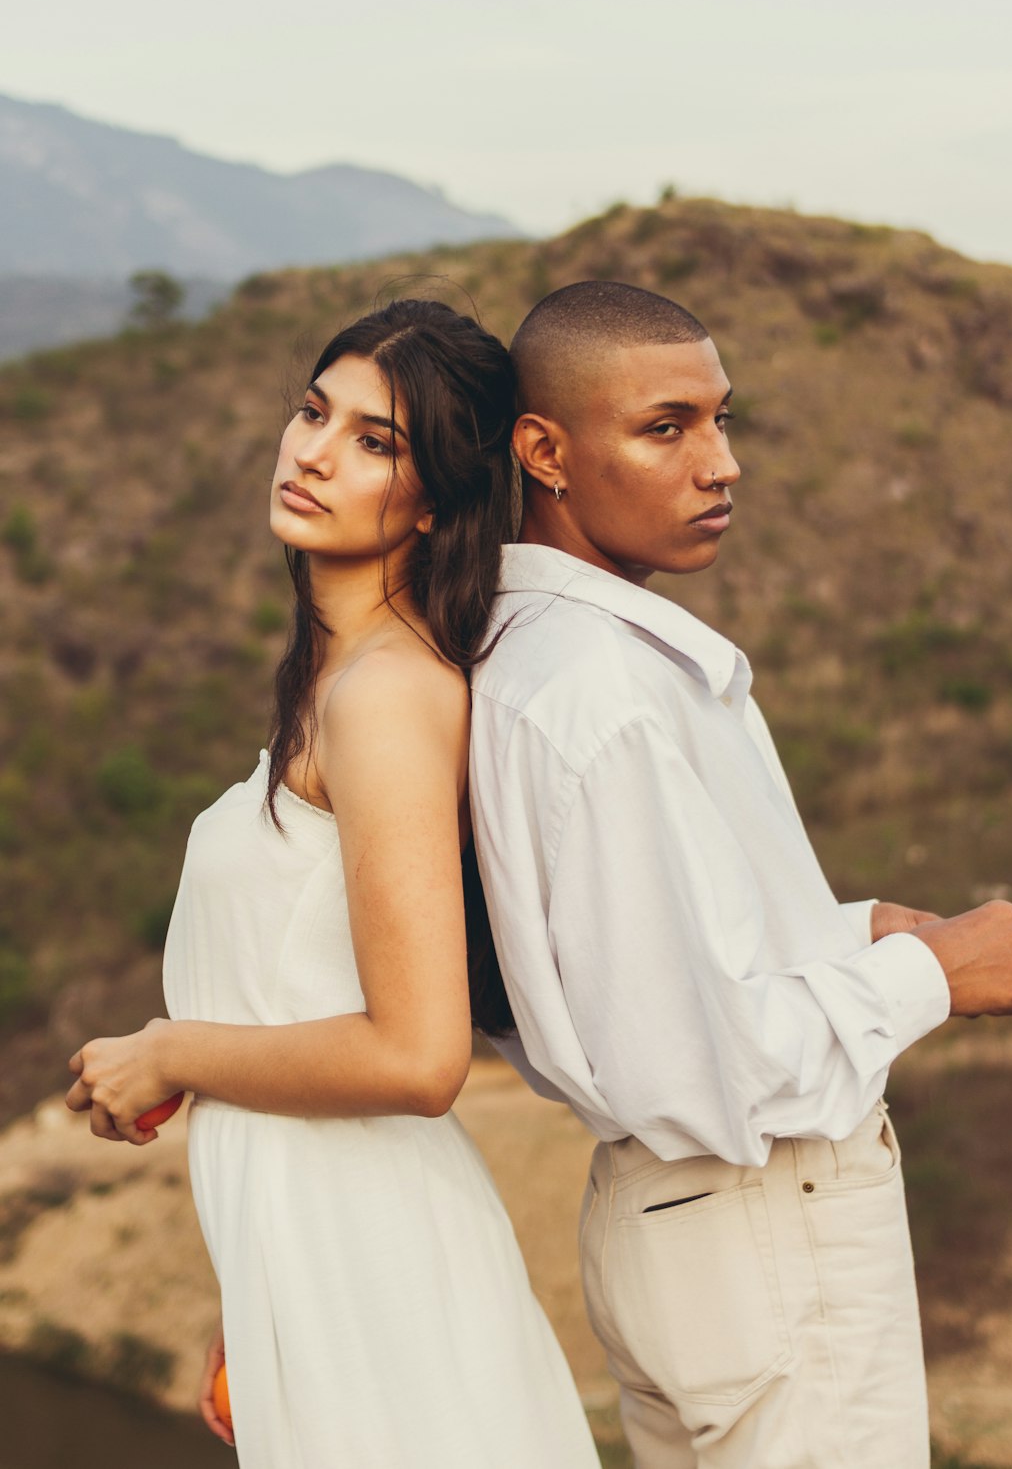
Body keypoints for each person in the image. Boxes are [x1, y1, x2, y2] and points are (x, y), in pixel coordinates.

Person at [467, 280, 1012, 1469]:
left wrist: (845, 927)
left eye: (725, 420)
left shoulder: (534, 657)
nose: (721, 464)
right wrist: (928, 974)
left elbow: (641, 969)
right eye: (666, 428)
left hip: (685, 1241)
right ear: (545, 452)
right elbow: (701, 1061)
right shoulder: (606, 697)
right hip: (764, 1226)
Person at [66, 300, 601, 1469]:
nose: (312, 450)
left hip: (383, 1280)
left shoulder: (387, 701)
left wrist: (169, 1053)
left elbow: (418, 1057)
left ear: (436, 500)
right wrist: (255, 1297)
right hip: (312, 1260)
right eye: (316, 410)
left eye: (376, 441)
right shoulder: (337, 682)